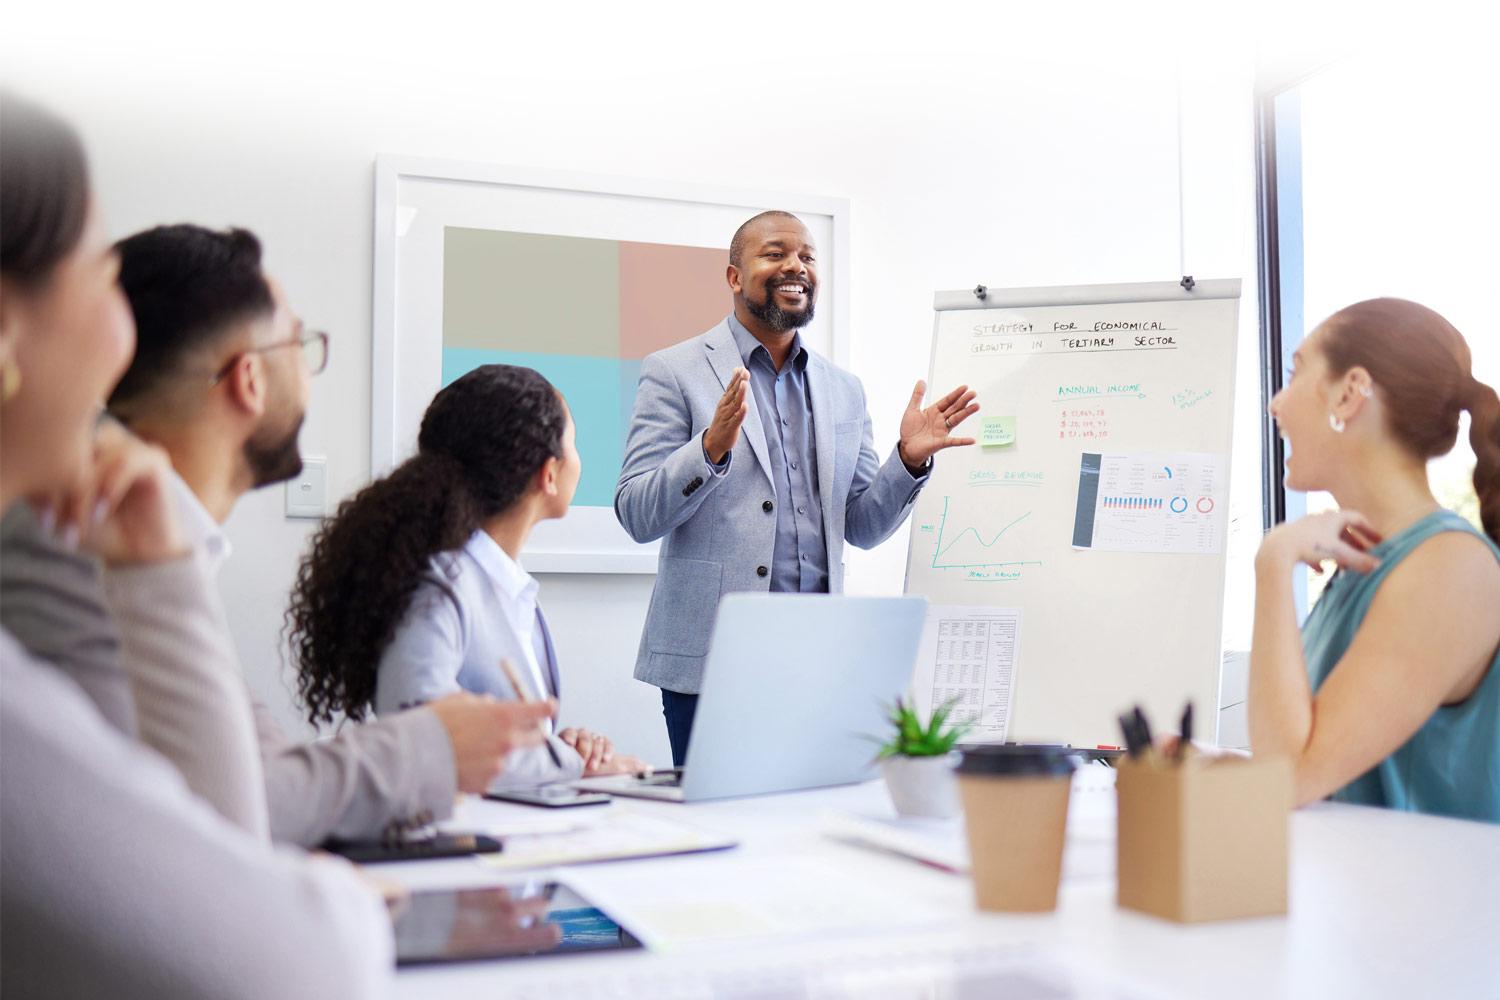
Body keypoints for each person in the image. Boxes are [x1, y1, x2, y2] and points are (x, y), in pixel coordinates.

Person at [0, 89, 433, 999]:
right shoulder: (58, 564)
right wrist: (317, 897)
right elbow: (280, 966)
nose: (115, 341)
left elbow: (217, 847)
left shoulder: (128, 546)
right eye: (91, 276)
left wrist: (162, 574)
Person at [2, 222, 555, 846]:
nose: (309, 371)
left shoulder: (164, 546)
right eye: (299, 342)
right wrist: (431, 746)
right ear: (250, 379)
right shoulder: (78, 550)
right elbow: (231, 813)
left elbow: (253, 772)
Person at [614, 209, 980, 763]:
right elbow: (637, 513)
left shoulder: (843, 390)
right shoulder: (675, 370)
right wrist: (708, 449)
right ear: (735, 276)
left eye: (808, 256)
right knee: (723, 830)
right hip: (713, 661)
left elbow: (861, 526)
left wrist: (906, 460)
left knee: (806, 819)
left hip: (817, 658)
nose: (796, 267)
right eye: (776, 253)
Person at [288, 364, 647, 787]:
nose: (578, 460)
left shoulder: (504, 587)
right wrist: (568, 762)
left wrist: (555, 746)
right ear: (548, 474)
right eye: (573, 443)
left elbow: (498, 733)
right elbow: (427, 740)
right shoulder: (437, 591)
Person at [1253, 297, 1500, 822]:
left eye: (1295, 374)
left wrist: (1273, 563)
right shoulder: (1364, 565)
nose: (1276, 404)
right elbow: (1300, 765)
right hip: (1360, 897)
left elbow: (1287, 781)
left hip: (1425, 903)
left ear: (1349, 393)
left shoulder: (1451, 568)